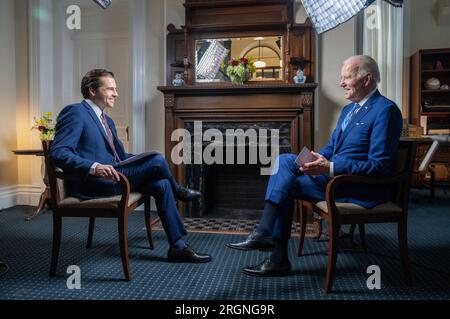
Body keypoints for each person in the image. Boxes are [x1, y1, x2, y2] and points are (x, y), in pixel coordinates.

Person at [227, 55, 403, 276]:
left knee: (284, 180)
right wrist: (316, 159)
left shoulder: (385, 110)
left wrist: (330, 167)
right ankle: (270, 244)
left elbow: (380, 166)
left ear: (367, 79)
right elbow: (331, 149)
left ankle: (273, 249)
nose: (341, 83)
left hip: (357, 186)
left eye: (346, 77)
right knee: (286, 165)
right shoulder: (348, 110)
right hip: (333, 179)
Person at [50, 69, 211, 263]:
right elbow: (58, 153)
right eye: (110, 89)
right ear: (92, 90)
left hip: (116, 175)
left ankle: (177, 247)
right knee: (158, 158)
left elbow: (121, 156)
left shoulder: (106, 119)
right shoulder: (75, 112)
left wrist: (143, 160)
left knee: (161, 184)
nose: (116, 94)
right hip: (94, 182)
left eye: (115, 89)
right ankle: (179, 192)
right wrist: (94, 166)